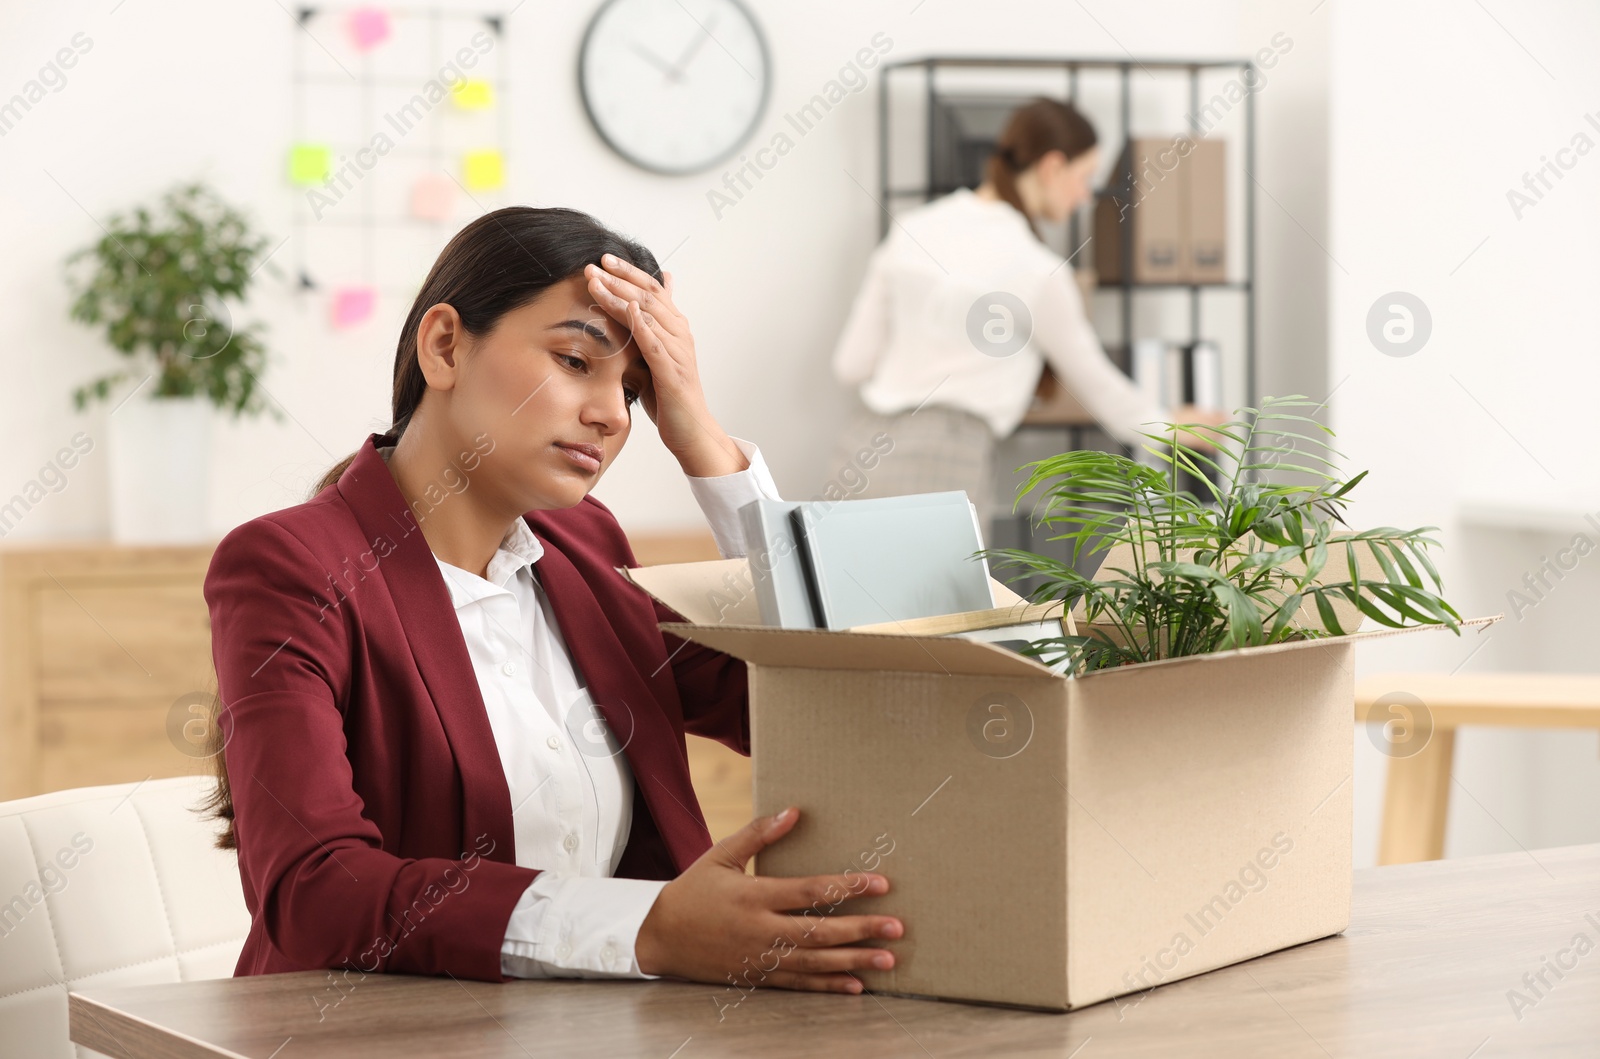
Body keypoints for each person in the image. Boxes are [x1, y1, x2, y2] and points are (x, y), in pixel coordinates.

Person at [200, 207, 902, 996]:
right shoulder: (291, 566)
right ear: (444, 346)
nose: (610, 414)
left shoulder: (589, 551)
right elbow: (316, 890)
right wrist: (645, 927)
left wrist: (704, 441)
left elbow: (812, 694)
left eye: (635, 392)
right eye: (575, 360)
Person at [829, 97, 1223, 536]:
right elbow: (1096, 382)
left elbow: (851, 365)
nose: (1083, 197)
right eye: (1084, 178)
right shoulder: (1038, 270)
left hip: (859, 452)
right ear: (1052, 166)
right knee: (936, 606)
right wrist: (1169, 428)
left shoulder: (911, 228)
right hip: (947, 459)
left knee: (847, 603)